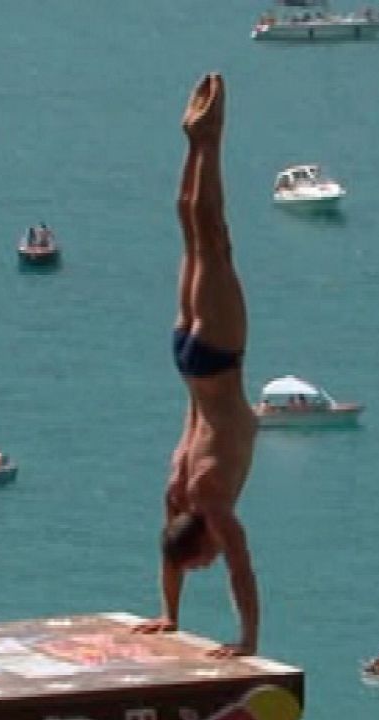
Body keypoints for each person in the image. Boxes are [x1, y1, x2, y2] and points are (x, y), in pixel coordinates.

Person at [133, 68, 267, 659]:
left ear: (203, 541)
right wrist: (169, 612)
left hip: (217, 357)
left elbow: (243, 571)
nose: (212, 561)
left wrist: (248, 639)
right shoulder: (177, 494)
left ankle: (207, 140)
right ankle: (195, 142)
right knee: (192, 234)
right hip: (186, 361)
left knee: (212, 237)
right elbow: (169, 554)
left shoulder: (210, 502)